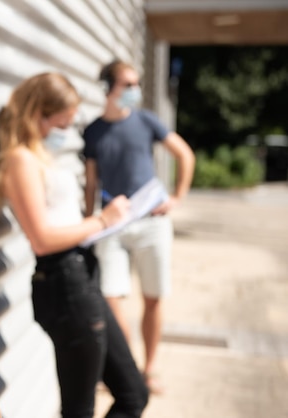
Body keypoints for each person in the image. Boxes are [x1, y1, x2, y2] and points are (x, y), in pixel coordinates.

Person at [0, 72, 148, 418]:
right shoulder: (20, 159)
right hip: (63, 282)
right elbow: (43, 240)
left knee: (134, 393)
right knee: (80, 409)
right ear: (37, 115)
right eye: (61, 123)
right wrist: (103, 220)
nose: (66, 130)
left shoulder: (39, 155)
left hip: (81, 275)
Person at [83, 59, 195, 394]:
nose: (135, 91)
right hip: (113, 226)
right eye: (127, 85)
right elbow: (90, 184)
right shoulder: (93, 131)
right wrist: (89, 224)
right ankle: (127, 368)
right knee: (111, 299)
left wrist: (176, 197)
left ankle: (150, 368)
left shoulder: (147, 121)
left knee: (153, 298)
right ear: (108, 89)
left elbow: (185, 154)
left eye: (136, 84)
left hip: (152, 223)